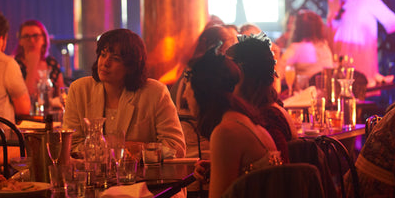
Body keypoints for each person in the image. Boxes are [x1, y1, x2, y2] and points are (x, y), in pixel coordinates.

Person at [116, 44, 282, 198]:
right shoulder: (246, 122)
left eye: (188, 90)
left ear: (202, 94)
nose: (185, 97)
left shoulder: (226, 132)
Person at [62, 28, 185, 159]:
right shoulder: (79, 90)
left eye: (115, 59)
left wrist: (135, 148)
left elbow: (176, 147)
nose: (105, 63)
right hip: (92, 176)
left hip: (141, 176)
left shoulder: (155, 92)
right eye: (103, 55)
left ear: (131, 66)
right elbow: (70, 145)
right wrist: (110, 146)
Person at [226, 33, 297, 163]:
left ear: (242, 73)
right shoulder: (270, 107)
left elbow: (278, 174)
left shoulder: (267, 119)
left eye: (229, 69)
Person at [172, 24, 238, 158]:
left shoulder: (228, 129)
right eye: (227, 50)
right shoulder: (199, 75)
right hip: (195, 149)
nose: (229, 58)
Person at [13, 19, 65, 109]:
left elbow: (61, 94)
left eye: (36, 36)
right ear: (20, 41)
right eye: (26, 36)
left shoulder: (52, 63)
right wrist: (32, 65)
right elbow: (26, 99)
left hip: (50, 115)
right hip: (24, 117)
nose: (32, 40)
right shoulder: (14, 65)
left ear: (44, 39)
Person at [278, 9, 333, 80]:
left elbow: (278, 74)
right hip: (324, 90)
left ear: (298, 28)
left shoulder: (296, 48)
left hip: (306, 90)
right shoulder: (325, 47)